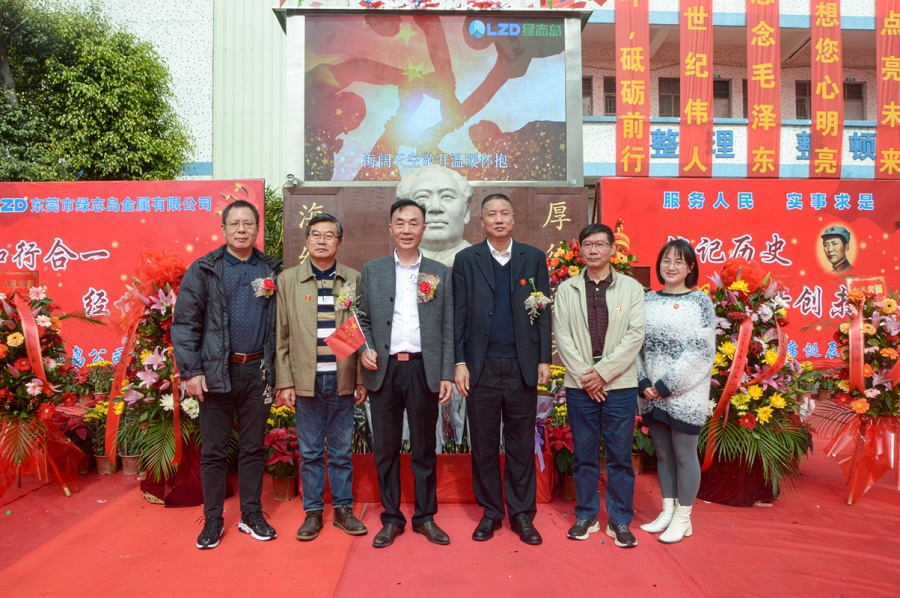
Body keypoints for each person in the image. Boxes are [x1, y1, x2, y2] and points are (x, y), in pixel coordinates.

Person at [172, 199, 282, 550]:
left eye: (248, 223)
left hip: (257, 371)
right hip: (216, 372)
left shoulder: (272, 269)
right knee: (214, 451)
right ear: (223, 229)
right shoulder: (205, 269)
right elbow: (185, 324)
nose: (241, 229)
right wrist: (191, 371)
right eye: (234, 223)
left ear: (257, 228)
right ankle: (213, 518)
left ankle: (251, 514)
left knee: (252, 448)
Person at [452, 193, 552, 545]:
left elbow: (543, 311)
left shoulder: (533, 258)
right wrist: (459, 362)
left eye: (504, 213)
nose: (498, 219)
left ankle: (522, 514)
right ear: (481, 221)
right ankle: (491, 513)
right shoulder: (466, 260)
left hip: (522, 366)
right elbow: (458, 315)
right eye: (491, 214)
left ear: (513, 218)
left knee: (520, 444)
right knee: (483, 444)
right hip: (481, 367)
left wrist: (543, 359)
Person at [357, 198, 455, 548]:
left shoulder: (439, 272)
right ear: (390, 228)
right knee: (385, 450)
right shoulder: (373, 270)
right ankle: (391, 518)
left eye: (414, 223)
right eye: (400, 223)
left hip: (423, 369)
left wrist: (446, 373)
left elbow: (448, 326)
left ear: (423, 228)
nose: (407, 229)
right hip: (384, 371)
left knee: (424, 448)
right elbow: (361, 318)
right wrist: (365, 348)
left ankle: (425, 517)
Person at [274, 213, 367, 542]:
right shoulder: (289, 280)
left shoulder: (352, 279)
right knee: (311, 451)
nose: (322, 240)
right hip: (306, 381)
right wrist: (286, 382)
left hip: (342, 378)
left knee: (341, 452)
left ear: (339, 241)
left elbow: (359, 333)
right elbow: (281, 335)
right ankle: (313, 511)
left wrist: (359, 379)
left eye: (329, 235)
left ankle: (343, 509)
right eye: (316, 234)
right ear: (306, 240)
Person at [552, 223, 645, 548]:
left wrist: (602, 374)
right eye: (588, 244)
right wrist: (587, 376)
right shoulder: (567, 290)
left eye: (600, 244)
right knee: (584, 455)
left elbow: (635, 335)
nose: (593, 250)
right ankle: (587, 515)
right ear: (580, 250)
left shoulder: (631, 288)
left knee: (620, 456)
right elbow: (562, 337)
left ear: (611, 250)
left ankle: (619, 520)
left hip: (619, 384)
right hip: (581, 386)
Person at [636, 239, 716, 544]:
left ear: (690, 267)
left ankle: (684, 518)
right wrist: (643, 382)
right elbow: (635, 344)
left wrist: (665, 386)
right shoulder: (647, 300)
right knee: (663, 453)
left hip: (685, 394)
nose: (671, 267)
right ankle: (667, 512)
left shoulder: (700, 302)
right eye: (666, 261)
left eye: (679, 262)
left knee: (684, 453)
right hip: (650, 394)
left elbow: (701, 351)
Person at [398, 164, 474, 268]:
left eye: (447, 196)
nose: (435, 207)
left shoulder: (480, 262)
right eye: (422, 196)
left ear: (466, 211)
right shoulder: (388, 266)